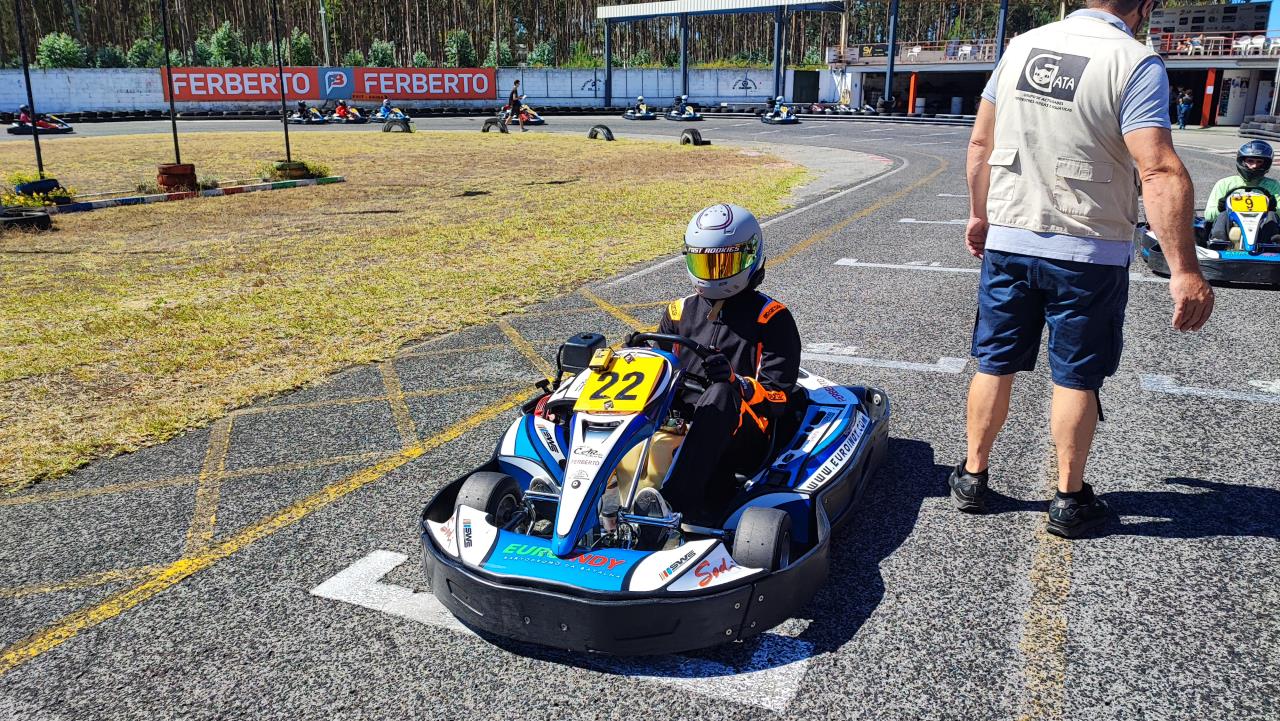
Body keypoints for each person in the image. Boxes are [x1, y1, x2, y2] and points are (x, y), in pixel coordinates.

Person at [958, 0, 1214, 538]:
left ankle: (973, 477)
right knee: (1076, 374)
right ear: (1141, 7)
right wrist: (1184, 270)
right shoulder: (1133, 61)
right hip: (1087, 249)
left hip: (1010, 236)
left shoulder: (1020, 47)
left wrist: (981, 216)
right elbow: (1159, 168)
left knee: (994, 360)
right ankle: (1068, 499)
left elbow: (981, 142)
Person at [632, 203, 802, 530]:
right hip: (678, 417)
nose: (714, 273)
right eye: (704, 262)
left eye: (723, 262)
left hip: (743, 431)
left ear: (750, 257)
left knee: (720, 394)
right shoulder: (680, 311)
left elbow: (780, 397)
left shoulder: (771, 318)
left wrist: (738, 384)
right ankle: (587, 483)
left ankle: (671, 505)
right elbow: (660, 372)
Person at [1204, 140, 1280, 246]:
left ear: (1266, 164)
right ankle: (1219, 242)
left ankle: (1272, 245)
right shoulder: (1225, 184)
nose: (1254, 166)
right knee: (1224, 214)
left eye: (1259, 162)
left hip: (1261, 229)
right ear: (1242, 162)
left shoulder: (1273, 185)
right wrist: (1221, 207)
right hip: (1232, 225)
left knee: (1272, 215)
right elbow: (1208, 215)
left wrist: (1273, 207)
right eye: (1250, 161)